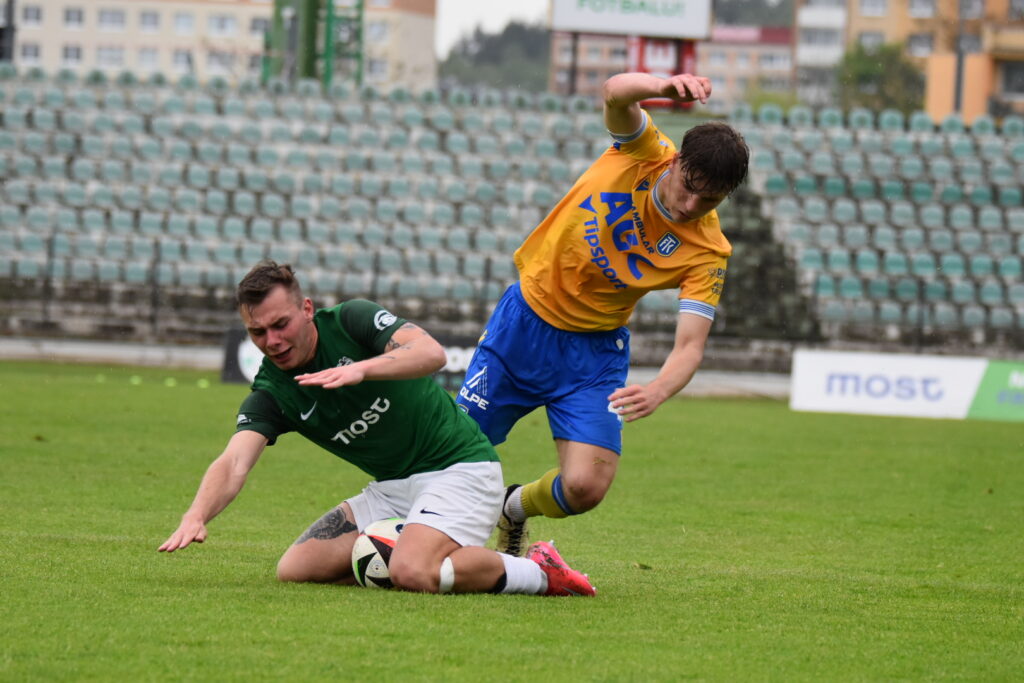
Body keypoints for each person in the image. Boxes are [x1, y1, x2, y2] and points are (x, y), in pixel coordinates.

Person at [159, 260, 594, 597]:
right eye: (258, 332)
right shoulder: (273, 392)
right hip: (391, 491)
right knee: (295, 570)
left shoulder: (351, 320)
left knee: (414, 571)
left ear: (306, 309)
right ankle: (420, 553)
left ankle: (539, 571)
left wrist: (362, 370)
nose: (272, 341)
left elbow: (431, 353)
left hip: (460, 469)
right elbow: (235, 461)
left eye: (280, 324)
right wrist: (196, 515)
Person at [456, 72, 750, 556]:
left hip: (593, 355)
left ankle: (512, 509)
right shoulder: (644, 150)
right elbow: (615, 92)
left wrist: (658, 389)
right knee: (452, 449)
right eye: (689, 187)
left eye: (711, 199)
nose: (692, 205)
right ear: (676, 162)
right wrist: (663, 87)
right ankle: (395, 530)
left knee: (585, 487)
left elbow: (690, 345)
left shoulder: (709, 252)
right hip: (524, 325)